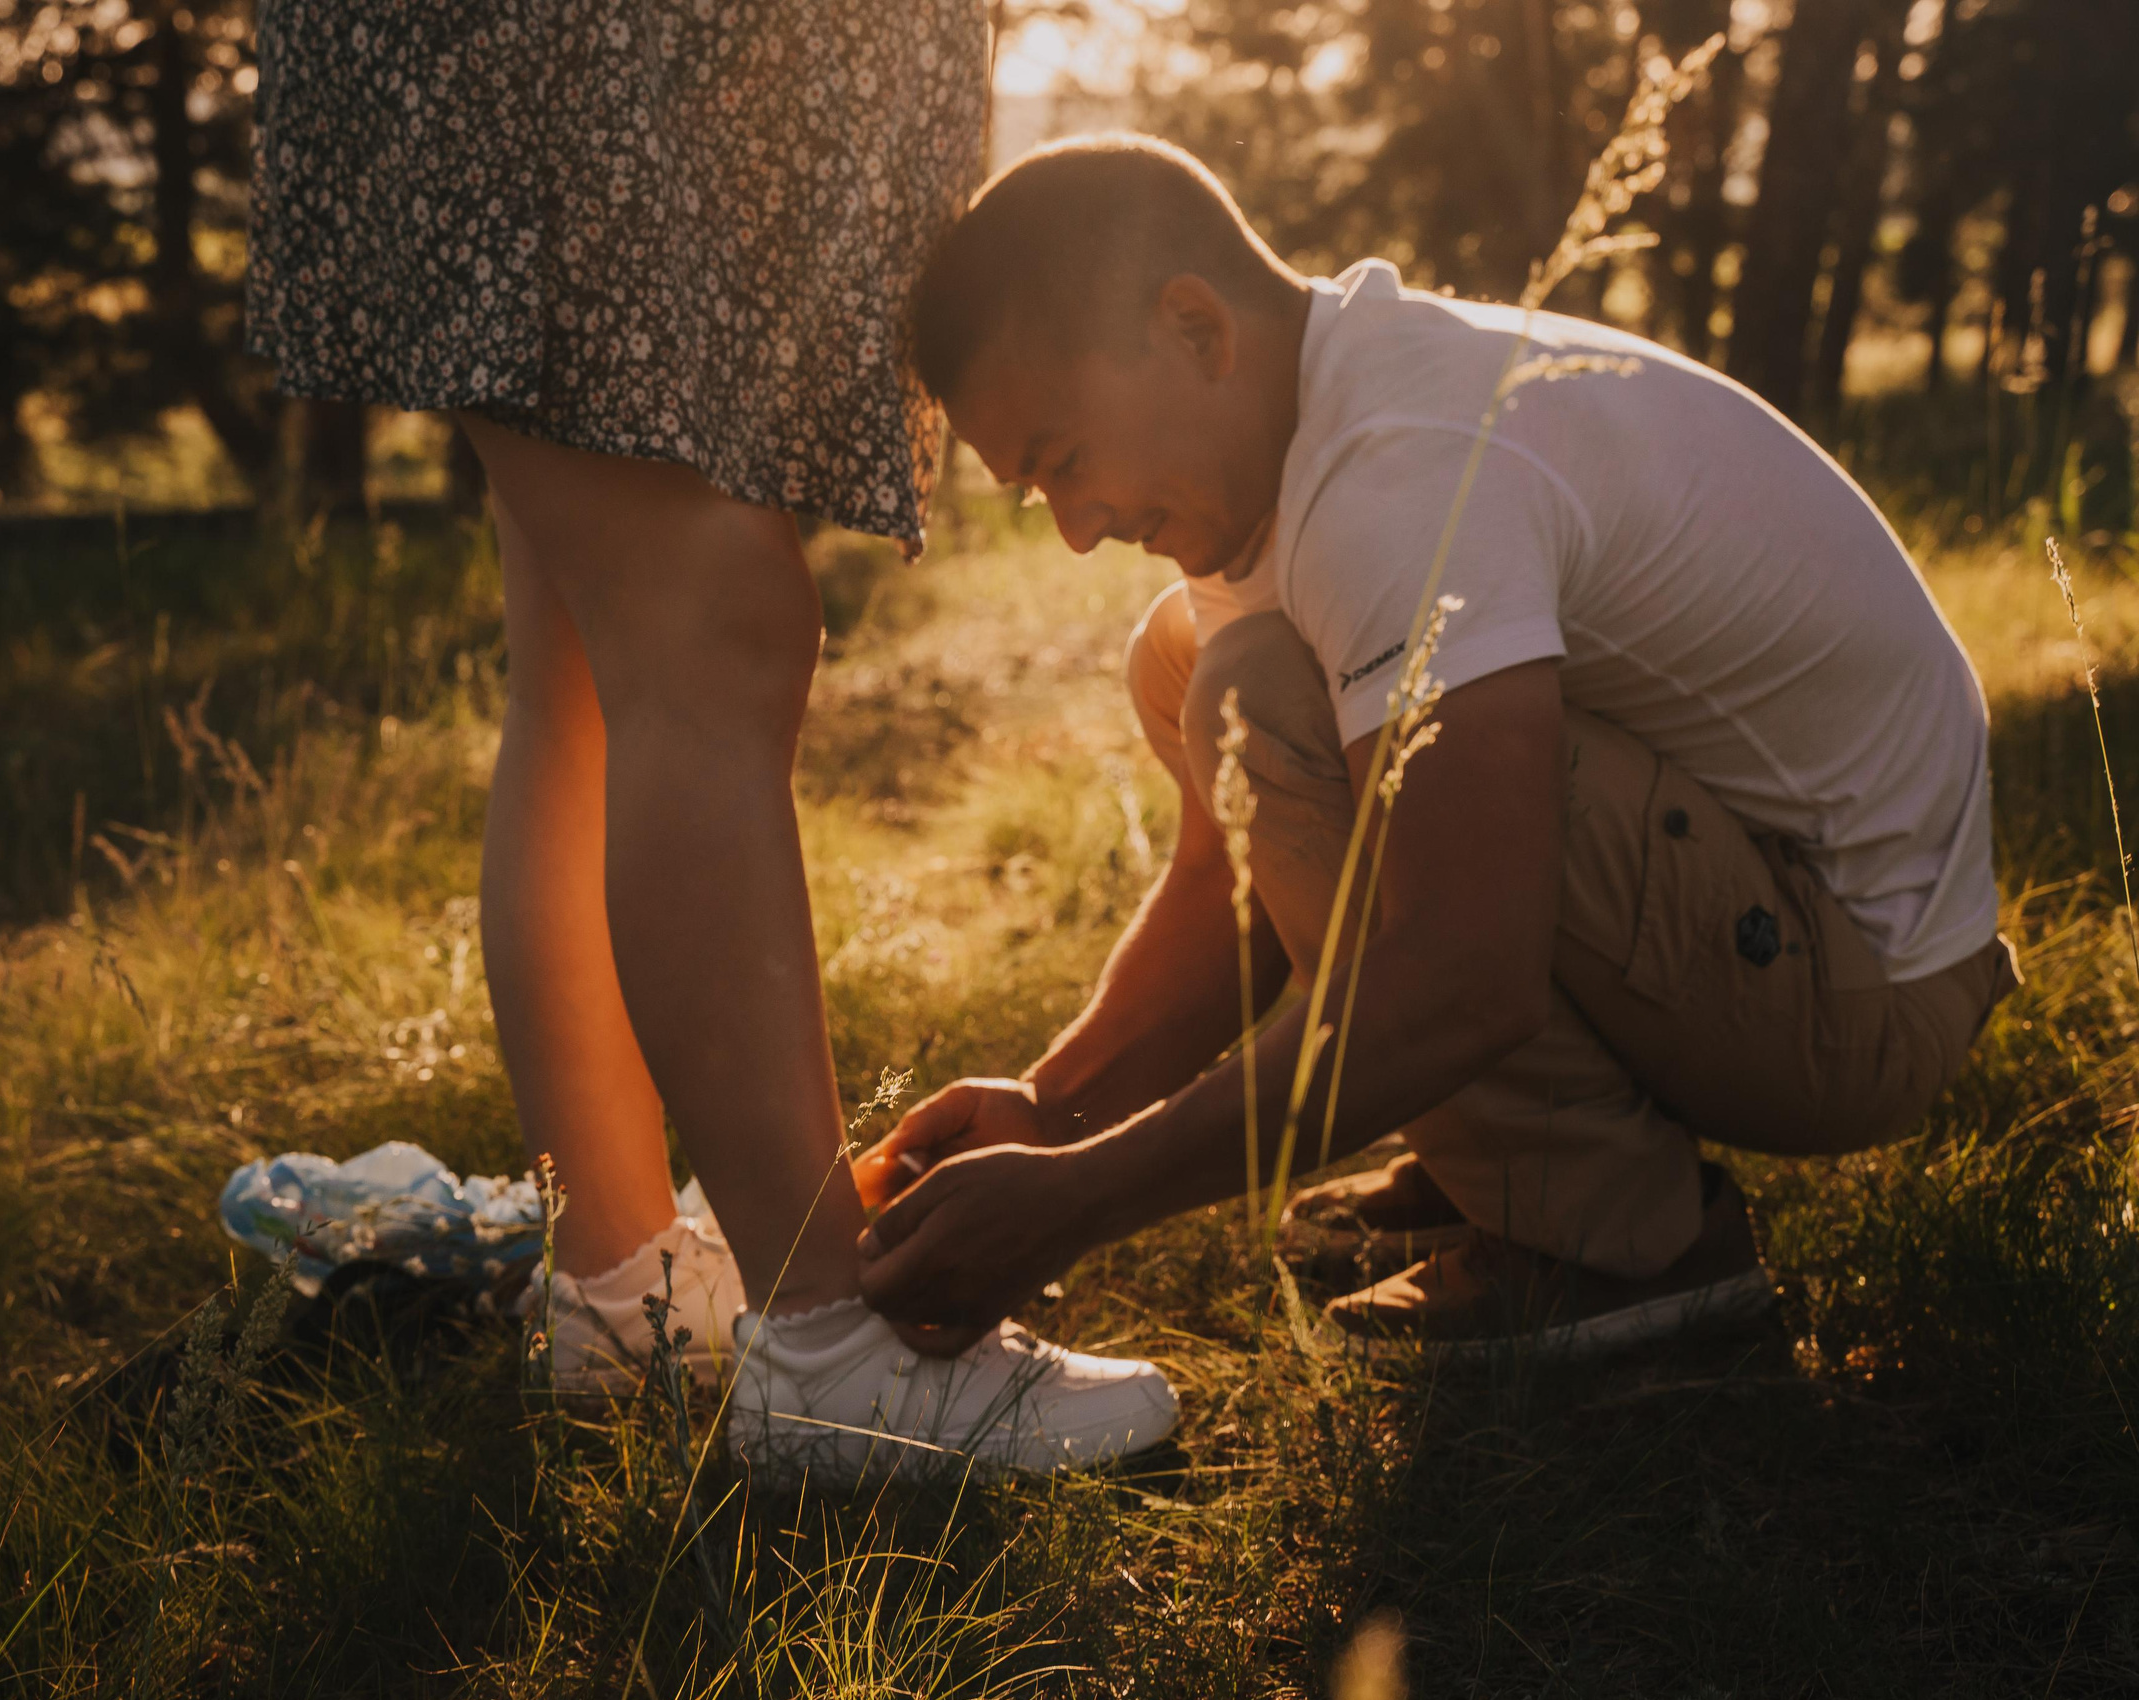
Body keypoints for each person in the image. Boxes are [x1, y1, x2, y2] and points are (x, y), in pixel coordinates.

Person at [851, 135, 2016, 1361]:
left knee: (1255, 693)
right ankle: (1517, 1162)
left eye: (1065, 462)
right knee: (1188, 659)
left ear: (1197, 331)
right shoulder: (1300, 433)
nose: (1077, 530)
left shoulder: (1399, 474)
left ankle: (1623, 1250)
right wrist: (1054, 1109)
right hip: (1749, 913)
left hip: (1853, 997)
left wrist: (1082, 1201)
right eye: (1039, 495)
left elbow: (1462, 969)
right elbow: (1234, 893)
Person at [245, 8, 1177, 1475]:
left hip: (643, 76)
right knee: (708, 614)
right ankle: (826, 1344)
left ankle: (625, 1283)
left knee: (589, 647)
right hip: (580, 65)